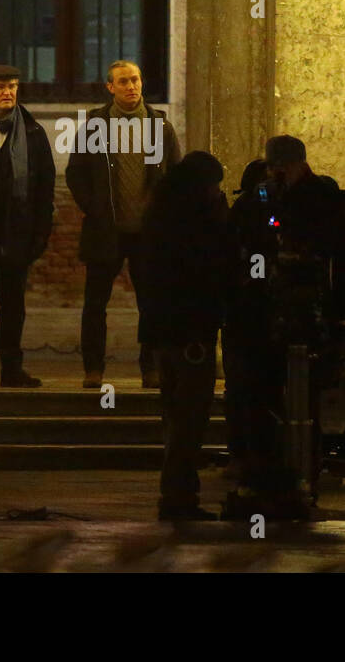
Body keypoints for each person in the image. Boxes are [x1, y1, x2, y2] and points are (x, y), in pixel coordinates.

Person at [226, 136, 345, 515]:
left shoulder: (325, 204)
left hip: (310, 324)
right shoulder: (258, 201)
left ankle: (302, 480)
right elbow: (240, 249)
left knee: (305, 407)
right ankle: (269, 481)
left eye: (283, 168)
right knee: (263, 405)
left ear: (299, 165)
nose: (277, 175)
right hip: (264, 323)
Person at [66, 60, 181, 389]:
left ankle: (151, 367)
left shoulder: (160, 126)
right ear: (110, 87)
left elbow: (175, 175)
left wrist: (163, 216)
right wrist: (94, 208)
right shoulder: (95, 125)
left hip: (148, 234)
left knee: (152, 303)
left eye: (135, 80)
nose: (131, 86)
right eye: (124, 81)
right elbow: (76, 172)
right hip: (106, 229)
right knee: (95, 304)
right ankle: (93, 369)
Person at [137, 151, 228, 520]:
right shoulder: (196, 226)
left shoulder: (158, 219)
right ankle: (179, 497)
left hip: (162, 334)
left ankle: (175, 494)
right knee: (190, 418)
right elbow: (210, 272)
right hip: (191, 335)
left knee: (175, 416)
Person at [0, 64, 55, 388]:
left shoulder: (32, 132)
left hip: (17, 229)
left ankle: (11, 369)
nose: (8, 92)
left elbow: (45, 185)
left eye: (12, 86)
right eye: (0, 86)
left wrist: (40, 232)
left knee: (12, 305)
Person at [221, 159, 272, 480]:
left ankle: (253, 453)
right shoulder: (242, 215)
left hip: (254, 313)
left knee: (251, 389)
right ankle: (244, 452)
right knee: (242, 389)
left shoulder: (245, 214)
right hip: (245, 314)